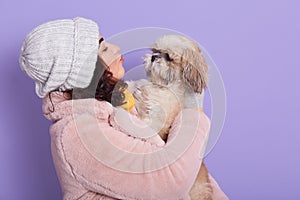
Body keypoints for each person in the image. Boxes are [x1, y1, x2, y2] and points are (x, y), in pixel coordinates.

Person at [20, 17, 228, 200]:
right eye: (103, 47)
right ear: (82, 71)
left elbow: (195, 171)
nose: (116, 48)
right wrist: (194, 116)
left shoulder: (119, 103)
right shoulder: (77, 135)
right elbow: (171, 182)